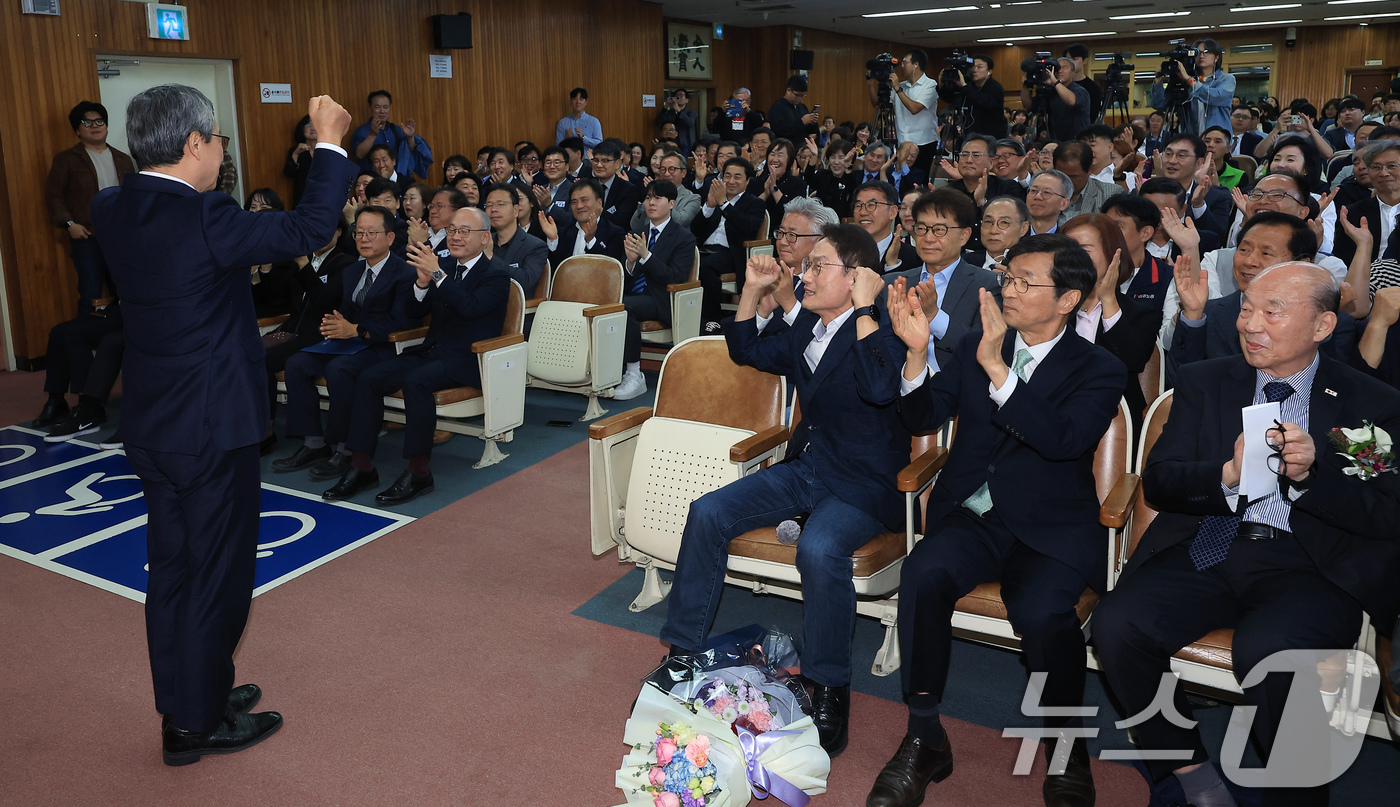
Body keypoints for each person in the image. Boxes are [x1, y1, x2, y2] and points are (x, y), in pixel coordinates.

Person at [88, 86, 356, 764]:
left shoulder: (112, 205)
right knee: (217, 576)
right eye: (218, 140)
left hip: (154, 422)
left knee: (174, 569)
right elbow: (308, 230)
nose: (222, 153)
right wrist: (327, 142)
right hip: (212, 427)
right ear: (192, 146)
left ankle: (191, 692)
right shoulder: (207, 215)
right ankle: (194, 725)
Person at [1094, 260, 1400, 807]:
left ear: (1323, 326)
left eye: (1273, 311)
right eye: (1246, 307)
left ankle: (1299, 796)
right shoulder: (1205, 381)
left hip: (1308, 565)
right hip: (1209, 543)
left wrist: (1313, 478)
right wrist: (1226, 477)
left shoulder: (1371, 403)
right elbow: (1161, 480)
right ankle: (1191, 777)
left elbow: (1384, 514)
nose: (1250, 324)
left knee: (1273, 654)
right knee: (1117, 624)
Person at [870, 234, 1125, 807]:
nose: (1008, 290)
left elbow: (1063, 441)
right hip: (975, 513)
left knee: (1042, 612)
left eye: (1024, 282)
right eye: (1007, 278)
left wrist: (996, 367)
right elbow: (922, 412)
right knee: (922, 574)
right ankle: (925, 733)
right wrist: (916, 354)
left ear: (1068, 299)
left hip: (1050, 523)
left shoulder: (1099, 368)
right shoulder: (981, 340)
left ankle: (1066, 745)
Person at [662, 224, 910, 760]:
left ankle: (830, 686)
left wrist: (869, 309)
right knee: (707, 511)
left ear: (858, 279)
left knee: (819, 550)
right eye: (807, 264)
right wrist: (753, 290)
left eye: (820, 266)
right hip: (811, 465)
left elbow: (881, 387)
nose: (805, 273)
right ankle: (682, 649)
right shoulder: (809, 330)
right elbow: (746, 347)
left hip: (864, 482)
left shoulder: (886, 329)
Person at [329, 207, 510, 505]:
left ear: (485, 237)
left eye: (465, 231)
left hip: (469, 359)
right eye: (452, 230)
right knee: (370, 377)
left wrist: (436, 275)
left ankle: (418, 471)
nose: (455, 237)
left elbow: (469, 308)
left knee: (416, 381)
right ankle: (361, 464)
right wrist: (422, 284)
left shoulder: (496, 274)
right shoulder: (445, 268)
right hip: (432, 350)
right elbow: (414, 313)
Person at [274, 205, 420, 478]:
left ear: (390, 238)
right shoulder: (353, 271)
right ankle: (314, 443)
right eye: (359, 233)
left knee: (339, 369)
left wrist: (357, 329)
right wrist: (337, 323)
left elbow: (403, 322)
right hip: (351, 341)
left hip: (383, 346)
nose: (363, 239)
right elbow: (348, 311)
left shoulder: (405, 273)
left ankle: (345, 449)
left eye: (371, 233)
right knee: (297, 363)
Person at [880, 189, 1001, 372]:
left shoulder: (988, 286)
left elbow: (985, 348)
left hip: (956, 391)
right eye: (921, 228)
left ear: (964, 235)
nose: (928, 238)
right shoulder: (891, 284)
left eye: (939, 230)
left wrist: (934, 316)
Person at [1063, 214, 1162, 423]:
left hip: (1116, 418)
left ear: (1112, 255)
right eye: (1066, 249)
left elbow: (1131, 362)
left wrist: (1108, 300)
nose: (1072, 258)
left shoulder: (1140, 313)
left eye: (1084, 250)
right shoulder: (1050, 307)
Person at [45, 101, 134, 314]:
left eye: (99, 121)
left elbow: (134, 198)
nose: (95, 126)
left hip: (120, 237)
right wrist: (69, 224)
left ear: (106, 126)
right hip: (87, 236)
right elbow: (53, 195)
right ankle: (88, 344)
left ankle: (121, 342)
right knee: (90, 293)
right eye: (87, 122)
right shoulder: (66, 159)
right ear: (77, 130)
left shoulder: (124, 159)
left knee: (127, 292)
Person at [616, 180, 699, 400]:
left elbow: (676, 278)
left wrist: (646, 256)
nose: (651, 203)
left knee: (625, 307)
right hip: (636, 296)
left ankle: (634, 374)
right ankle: (604, 372)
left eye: (657, 198)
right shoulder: (637, 232)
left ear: (671, 203)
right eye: (647, 198)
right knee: (607, 304)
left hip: (663, 300)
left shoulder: (684, 237)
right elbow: (626, 276)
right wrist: (631, 263)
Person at [30, 299, 125, 444]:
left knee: (108, 341)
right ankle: (56, 400)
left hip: (139, 312)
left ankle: (88, 407)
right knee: (59, 332)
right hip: (117, 310)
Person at [691, 157, 766, 328]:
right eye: (727, 176)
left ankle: (713, 319)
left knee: (705, 268)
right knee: (680, 261)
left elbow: (747, 227)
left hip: (732, 254)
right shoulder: (716, 197)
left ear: (747, 181)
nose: (731, 181)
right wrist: (709, 206)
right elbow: (695, 230)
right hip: (704, 249)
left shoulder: (754, 203)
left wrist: (723, 204)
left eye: (737, 177)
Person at [1102, 192, 1174, 316]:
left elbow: (1169, 333)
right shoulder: (1093, 270)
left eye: (1118, 226)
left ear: (1145, 233)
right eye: (1106, 226)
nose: (1108, 233)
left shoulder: (1167, 277)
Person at [1148, 38, 1235, 137]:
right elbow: (1158, 104)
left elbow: (1214, 97)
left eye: (1206, 52)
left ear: (1216, 57)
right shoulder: (1184, 79)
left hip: (1217, 138)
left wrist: (1189, 80)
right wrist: (1158, 79)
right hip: (1191, 138)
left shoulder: (1226, 79)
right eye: (1197, 53)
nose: (1201, 56)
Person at [1335, 138, 1400, 268]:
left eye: (1391, 166)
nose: (1384, 173)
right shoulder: (1352, 214)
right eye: (1376, 167)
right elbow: (1344, 261)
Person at [877, 50, 940, 177]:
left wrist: (897, 89)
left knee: (918, 180)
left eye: (905, 62)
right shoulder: (902, 86)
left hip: (923, 142)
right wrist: (871, 83)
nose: (901, 66)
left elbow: (914, 108)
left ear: (916, 64)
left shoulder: (930, 85)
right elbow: (877, 103)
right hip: (902, 141)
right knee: (900, 178)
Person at [539, 178, 627, 268]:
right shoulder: (564, 232)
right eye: (574, 202)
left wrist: (591, 241)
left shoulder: (615, 233)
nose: (579, 206)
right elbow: (556, 270)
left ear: (599, 203)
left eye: (584, 200)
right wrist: (553, 239)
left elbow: (610, 269)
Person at [350, 90, 431, 179]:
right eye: (377, 107)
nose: (382, 111)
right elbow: (359, 154)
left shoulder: (396, 129)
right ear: (370, 108)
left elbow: (410, 151)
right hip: (372, 181)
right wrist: (372, 135)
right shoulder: (361, 131)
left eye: (385, 107)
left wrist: (410, 137)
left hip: (394, 181)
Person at [483, 186, 548, 293]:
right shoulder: (483, 242)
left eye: (500, 204)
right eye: (489, 205)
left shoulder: (535, 246)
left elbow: (525, 281)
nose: (493, 209)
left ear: (515, 210)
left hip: (517, 307)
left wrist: (491, 258)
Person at [940, 134, 1027, 211]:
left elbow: (1009, 220)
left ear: (991, 163)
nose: (969, 160)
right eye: (964, 155)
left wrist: (981, 202)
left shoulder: (1007, 188)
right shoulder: (950, 191)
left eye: (976, 155)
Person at [937, 54, 1007, 139]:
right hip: (969, 134)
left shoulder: (995, 87)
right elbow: (952, 99)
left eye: (979, 67)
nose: (974, 70)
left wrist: (964, 86)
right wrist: (941, 85)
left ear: (989, 71)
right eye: (972, 67)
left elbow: (985, 102)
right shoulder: (969, 86)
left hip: (991, 135)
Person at [1023, 58, 1089, 143]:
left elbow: (1071, 101)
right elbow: (1028, 105)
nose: (1060, 71)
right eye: (1058, 68)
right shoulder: (1052, 91)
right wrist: (1026, 84)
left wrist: (1055, 82)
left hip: (1076, 141)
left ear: (1073, 74)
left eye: (1064, 67)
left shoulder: (1080, 90)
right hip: (1055, 141)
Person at [630, 151, 700, 230]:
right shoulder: (651, 196)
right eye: (663, 169)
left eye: (672, 169)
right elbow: (635, 225)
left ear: (683, 173)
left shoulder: (693, 198)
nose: (666, 174)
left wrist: (661, 194)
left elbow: (680, 222)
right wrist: (649, 196)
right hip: (647, 239)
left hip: (674, 240)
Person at [1053, 141, 1116, 222]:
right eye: (1062, 175)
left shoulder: (1109, 194)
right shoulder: (1041, 193)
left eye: (1074, 177)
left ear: (1090, 169)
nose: (1067, 181)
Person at [589, 140, 642, 230]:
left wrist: (599, 210)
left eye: (605, 161)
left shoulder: (628, 190)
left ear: (617, 164)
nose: (599, 165)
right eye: (596, 160)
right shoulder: (587, 185)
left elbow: (622, 223)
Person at [967, 196, 1030, 271]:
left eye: (1004, 222)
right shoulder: (964, 264)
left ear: (1023, 228)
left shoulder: (1031, 268)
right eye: (988, 222)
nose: (993, 231)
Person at [806, 139, 859, 219]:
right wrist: (814, 156)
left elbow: (853, 189)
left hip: (844, 226)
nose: (836, 162)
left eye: (841, 157)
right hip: (821, 222)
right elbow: (809, 179)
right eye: (833, 157)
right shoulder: (823, 175)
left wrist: (847, 167)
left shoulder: (853, 178)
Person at [767, 75, 819, 146]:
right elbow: (779, 130)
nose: (800, 98)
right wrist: (802, 122)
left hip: (802, 146)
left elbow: (809, 130)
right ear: (788, 90)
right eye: (797, 95)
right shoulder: (777, 107)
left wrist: (813, 123)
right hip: (785, 147)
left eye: (803, 95)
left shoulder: (802, 107)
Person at [1062, 43, 1104, 124]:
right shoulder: (1059, 85)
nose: (1071, 63)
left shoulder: (1093, 88)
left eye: (1075, 59)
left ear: (1085, 61)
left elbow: (1092, 115)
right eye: (1068, 60)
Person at [283, 114, 317, 207]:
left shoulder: (327, 151)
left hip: (324, 197)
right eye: (308, 125)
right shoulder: (296, 150)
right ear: (302, 129)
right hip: (303, 198)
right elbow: (289, 173)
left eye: (316, 124)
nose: (312, 128)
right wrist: (296, 154)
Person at [1026, 170, 1073, 235]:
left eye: (1047, 192)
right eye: (1033, 190)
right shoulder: (1014, 238)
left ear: (1064, 203)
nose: (1038, 196)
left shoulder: (1067, 242)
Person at [656, 88, 697, 156]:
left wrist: (679, 111)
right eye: (677, 95)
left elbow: (690, 123)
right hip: (669, 143)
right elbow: (660, 121)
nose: (678, 97)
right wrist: (665, 108)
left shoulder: (691, 113)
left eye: (681, 95)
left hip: (685, 144)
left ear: (687, 100)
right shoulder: (670, 113)